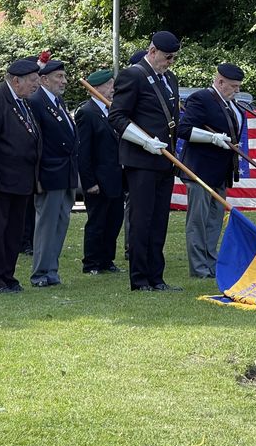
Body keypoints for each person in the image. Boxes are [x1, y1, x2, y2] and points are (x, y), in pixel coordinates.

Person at [108, 31, 182, 291]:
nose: (170, 61)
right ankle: (139, 279)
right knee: (142, 220)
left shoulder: (169, 78)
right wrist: (144, 141)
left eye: (174, 57)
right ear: (152, 51)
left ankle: (156, 277)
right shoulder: (133, 75)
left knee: (159, 220)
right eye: (167, 56)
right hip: (141, 160)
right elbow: (117, 116)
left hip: (164, 160)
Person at [0, 58, 42, 294]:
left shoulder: (23, 101)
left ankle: (8, 275)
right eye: (33, 81)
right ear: (16, 81)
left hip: (21, 179)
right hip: (0, 181)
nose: (36, 85)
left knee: (14, 231)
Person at [176, 63, 244, 278]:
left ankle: (211, 263)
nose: (237, 90)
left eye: (238, 86)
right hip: (200, 170)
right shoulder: (201, 98)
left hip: (220, 171)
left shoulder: (231, 104)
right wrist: (212, 138)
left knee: (214, 220)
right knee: (198, 221)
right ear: (220, 81)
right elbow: (184, 129)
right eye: (233, 86)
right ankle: (198, 268)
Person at [28, 56, 78, 287]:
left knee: (60, 223)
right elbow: (36, 142)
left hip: (65, 172)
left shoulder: (58, 101)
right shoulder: (37, 101)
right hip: (49, 173)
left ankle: (51, 270)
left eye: (64, 76)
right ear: (44, 79)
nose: (64, 81)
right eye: (59, 77)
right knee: (47, 225)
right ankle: (40, 273)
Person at [76, 69, 124, 275]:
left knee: (114, 220)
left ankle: (107, 259)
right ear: (96, 89)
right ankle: (92, 262)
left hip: (116, 177)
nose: (113, 89)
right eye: (109, 85)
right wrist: (89, 182)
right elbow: (83, 152)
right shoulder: (87, 113)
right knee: (97, 221)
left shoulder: (112, 111)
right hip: (98, 179)